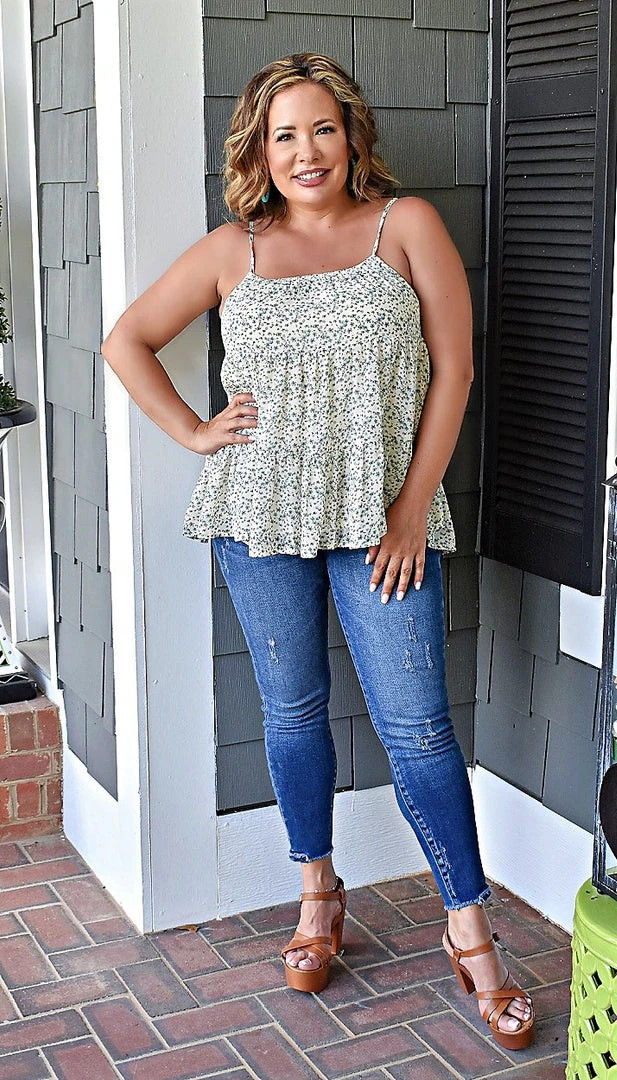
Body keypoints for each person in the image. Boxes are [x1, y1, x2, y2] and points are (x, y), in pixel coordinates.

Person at [101, 53, 534, 1050]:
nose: (307, 151)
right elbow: (128, 340)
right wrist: (196, 431)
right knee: (292, 713)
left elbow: (455, 371)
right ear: (258, 149)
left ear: (352, 137)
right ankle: (317, 896)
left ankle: (469, 933)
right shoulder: (233, 250)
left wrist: (409, 510)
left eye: (323, 129)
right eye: (285, 134)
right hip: (258, 516)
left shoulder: (404, 226)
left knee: (418, 730)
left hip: (384, 521)